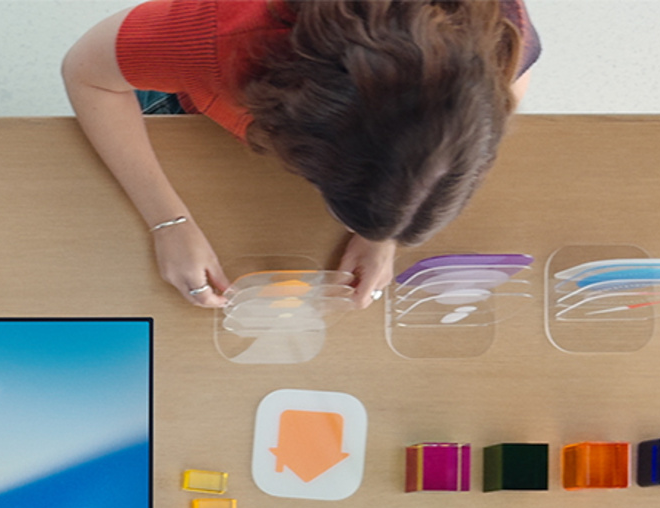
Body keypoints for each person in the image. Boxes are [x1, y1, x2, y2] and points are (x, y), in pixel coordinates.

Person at [62, 0, 540, 311]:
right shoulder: (227, 38)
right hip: (197, 107)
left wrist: (386, 230)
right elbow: (87, 72)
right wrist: (169, 222)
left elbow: (507, 90)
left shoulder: (492, 32)